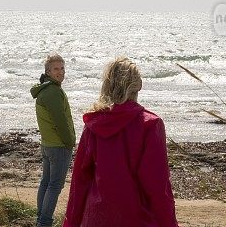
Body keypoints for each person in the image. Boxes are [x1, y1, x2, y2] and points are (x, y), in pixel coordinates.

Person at [63, 57, 179, 227]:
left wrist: (71, 223)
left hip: (96, 218)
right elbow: (157, 186)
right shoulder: (150, 124)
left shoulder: (94, 124)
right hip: (137, 219)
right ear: (138, 85)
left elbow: (79, 182)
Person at [31, 53, 76, 227]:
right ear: (48, 72)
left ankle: (41, 220)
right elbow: (61, 122)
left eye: (62, 68)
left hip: (47, 144)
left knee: (46, 182)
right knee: (55, 186)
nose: (61, 72)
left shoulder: (45, 89)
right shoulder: (53, 92)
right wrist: (70, 142)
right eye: (56, 69)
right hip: (58, 146)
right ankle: (44, 222)